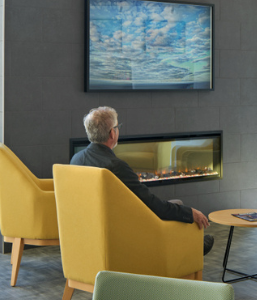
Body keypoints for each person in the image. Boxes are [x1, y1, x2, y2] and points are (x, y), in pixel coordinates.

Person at [70, 106, 214, 255]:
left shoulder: (76, 159)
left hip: (93, 228)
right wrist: (190, 213)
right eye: (117, 127)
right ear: (112, 133)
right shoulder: (116, 167)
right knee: (180, 208)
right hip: (125, 231)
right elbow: (151, 205)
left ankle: (194, 245)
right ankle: (194, 249)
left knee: (177, 204)